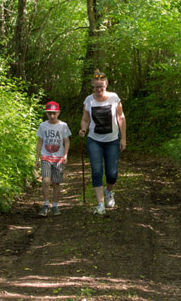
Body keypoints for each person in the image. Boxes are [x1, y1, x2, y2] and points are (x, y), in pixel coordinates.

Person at [78, 70, 126, 215]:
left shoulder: (114, 98)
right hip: (94, 141)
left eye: (102, 87)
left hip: (112, 140)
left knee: (112, 174)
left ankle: (109, 192)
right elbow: (85, 119)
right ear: (93, 86)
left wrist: (123, 138)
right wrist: (83, 129)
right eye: (96, 87)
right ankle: (100, 204)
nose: (99, 90)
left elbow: (121, 117)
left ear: (106, 85)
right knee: (97, 171)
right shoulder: (89, 100)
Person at [35, 101, 71, 216]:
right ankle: (45, 204)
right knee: (46, 181)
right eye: (49, 113)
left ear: (58, 113)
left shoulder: (63, 126)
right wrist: (37, 158)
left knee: (56, 183)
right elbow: (39, 141)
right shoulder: (43, 126)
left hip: (58, 158)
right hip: (46, 156)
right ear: (46, 114)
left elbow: (66, 141)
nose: (52, 116)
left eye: (54, 113)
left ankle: (55, 205)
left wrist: (65, 155)